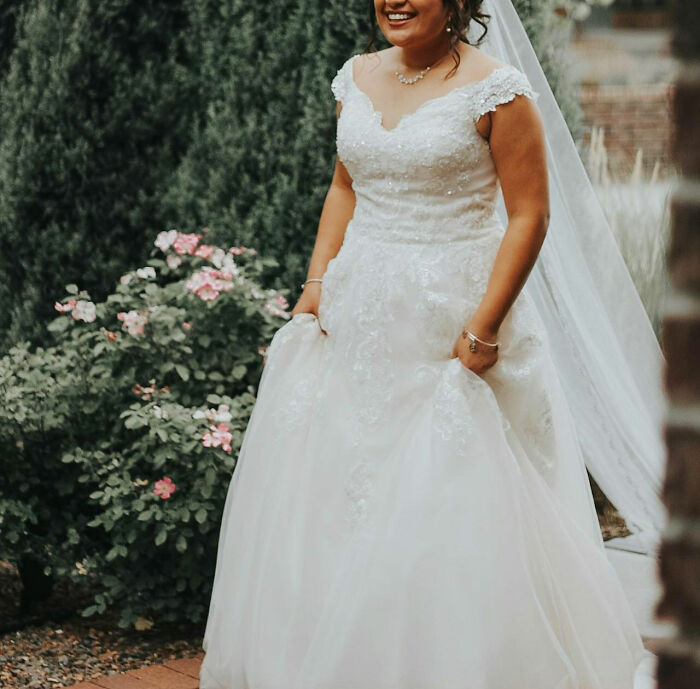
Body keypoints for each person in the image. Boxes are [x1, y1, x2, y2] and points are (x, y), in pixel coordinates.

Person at [199, 2, 664, 687]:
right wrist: (315, 281)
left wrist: (485, 325)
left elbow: (530, 212)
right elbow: (345, 185)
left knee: (449, 498)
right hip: (356, 319)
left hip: (452, 327)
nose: (396, 0)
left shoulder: (495, 88)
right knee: (338, 492)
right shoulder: (354, 77)